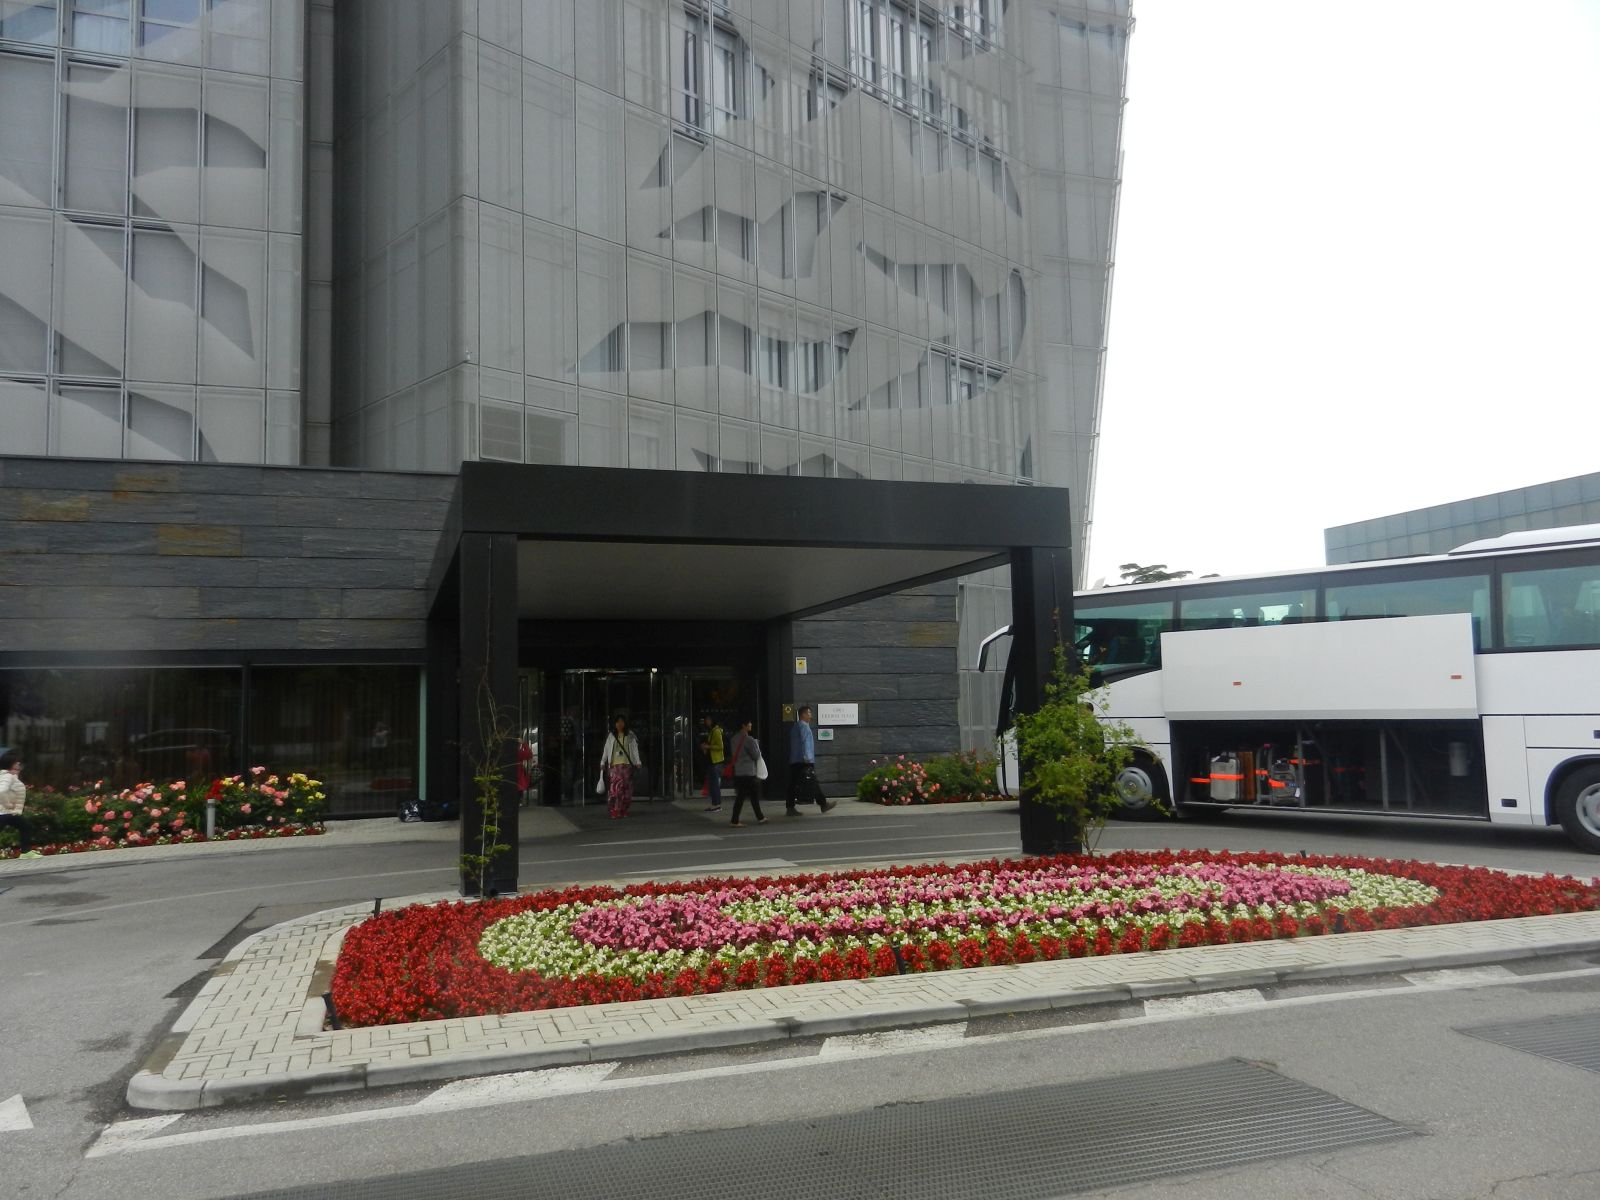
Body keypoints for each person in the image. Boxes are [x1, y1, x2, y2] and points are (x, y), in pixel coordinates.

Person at [786, 704, 836, 816]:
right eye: (809, 713)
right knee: (812, 781)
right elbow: (805, 742)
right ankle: (823, 804)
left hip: (795, 760)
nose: (810, 715)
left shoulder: (795, 727)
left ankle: (790, 807)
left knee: (793, 783)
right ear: (803, 714)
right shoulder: (804, 726)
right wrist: (807, 757)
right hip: (804, 761)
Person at [597, 714, 641, 820]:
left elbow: (634, 749)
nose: (620, 724)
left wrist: (638, 761)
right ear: (615, 724)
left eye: (622, 721)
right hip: (614, 767)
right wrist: (602, 762)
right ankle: (614, 810)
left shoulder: (630, 735)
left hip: (627, 766)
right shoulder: (611, 736)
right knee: (615, 790)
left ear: (625, 723)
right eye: (617, 722)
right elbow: (606, 750)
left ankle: (623, 809)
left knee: (627, 789)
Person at [726, 718, 767, 827]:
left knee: (750, 795)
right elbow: (756, 755)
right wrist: (756, 745)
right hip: (748, 771)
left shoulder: (734, 739)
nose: (751, 725)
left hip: (738, 770)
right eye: (749, 723)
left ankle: (760, 817)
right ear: (743, 725)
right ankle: (735, 820)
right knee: (744, 796)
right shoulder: (749, 740)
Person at [0, 752, 27, 852]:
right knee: (25, 827)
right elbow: (1, 791)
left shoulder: (9, 776)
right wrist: (8, 804)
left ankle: (26, 852)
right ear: (9, 763)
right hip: (4, 812)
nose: (18, 764)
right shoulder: (7, 777)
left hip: (9, 812)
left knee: (25, 827)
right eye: (16, 762)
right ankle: (26, 851)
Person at [699, 714, 726, 812]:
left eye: (707, 719)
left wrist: (708, 747)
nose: (706, 721)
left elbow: (720, 746)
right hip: (713, 761)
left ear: (712, 720)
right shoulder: (712, 731)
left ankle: (717, 805)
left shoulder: (716, 731)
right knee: (712, 784)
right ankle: (715, 804)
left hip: (716, 762)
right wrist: (706, 747)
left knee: (714, 784)